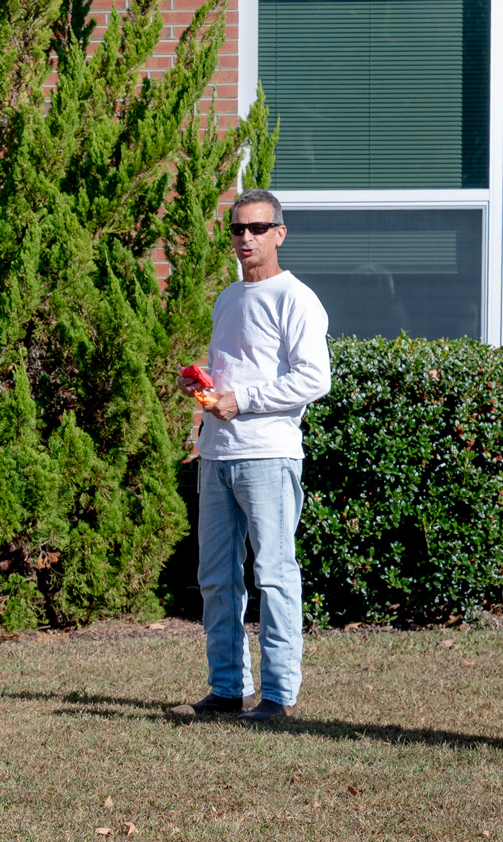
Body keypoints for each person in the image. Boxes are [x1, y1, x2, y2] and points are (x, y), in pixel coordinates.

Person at [168, 190, 331, 722]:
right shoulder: (228, 298)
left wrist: (245, 399)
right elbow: (237, 375)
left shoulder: (296, 298)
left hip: (269, 454)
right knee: (216, 577)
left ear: (279, 233)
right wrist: (206, 386)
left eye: (258, 228)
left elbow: (314, 378)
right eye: (238, 229)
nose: (246, 238)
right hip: (216, 455)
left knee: (275, 575)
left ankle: (279, 696)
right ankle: (226, 688)